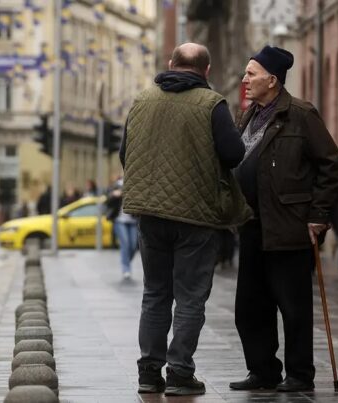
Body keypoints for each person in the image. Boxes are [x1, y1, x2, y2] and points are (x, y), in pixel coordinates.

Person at [120, 42, 251, 396]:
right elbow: (234, 153)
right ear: (206, 71)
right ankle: (179, 373)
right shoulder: (212, 104)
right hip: (196, 216)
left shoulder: (142, 101)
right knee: (191, 296)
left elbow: (124, 154)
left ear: (170, 64)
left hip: (150, 213)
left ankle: (149, 371)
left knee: (155, 293)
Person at [230, 46, 338, 393]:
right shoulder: (247, 115)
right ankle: (263, 370)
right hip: (252, 225)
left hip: (290, 225)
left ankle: (299, 374)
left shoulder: (301, 114)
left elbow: (331, 166)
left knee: (293, 308)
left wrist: (319, 215)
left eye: (252, 73)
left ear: (273, 80)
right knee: (250, 307)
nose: (245, 80)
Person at [105, 179, 138, 280]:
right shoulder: (118, 184)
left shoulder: (136, 183)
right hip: (119, 221)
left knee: (133, 246)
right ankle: (126, 269)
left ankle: (126, 261)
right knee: (125, 244)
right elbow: (107, 203)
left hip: (132, 221)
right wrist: (114, 195)